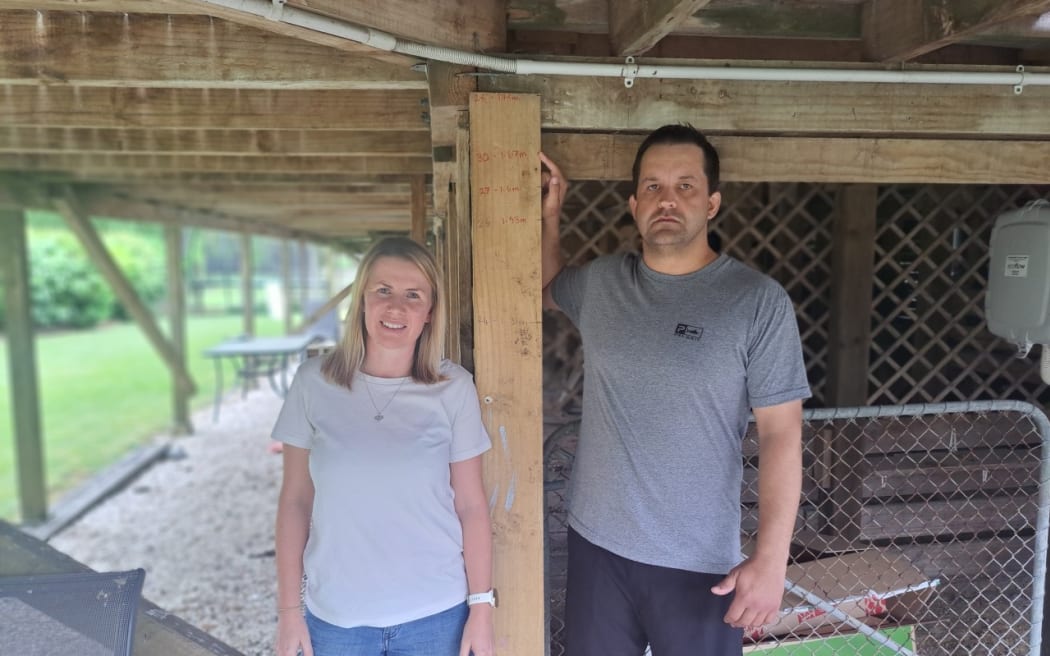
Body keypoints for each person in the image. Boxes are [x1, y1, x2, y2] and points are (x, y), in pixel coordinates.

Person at [539, 124, 811, 656]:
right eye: (653, 186)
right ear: (634, 204)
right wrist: (551, 217)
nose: (667, 200)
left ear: (711, 204)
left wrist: (772, 559)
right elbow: (546, 290)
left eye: (685, 186)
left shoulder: (756, 301)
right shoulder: (602, 283)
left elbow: (781, 433)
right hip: (597, 546)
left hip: (699, 562)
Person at [272, 237, 496, 656]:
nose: (396, 308)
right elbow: (295, 501)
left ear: (430, 312)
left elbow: (471, 505)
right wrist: (288, 612)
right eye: (383, 290)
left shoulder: (454, 388)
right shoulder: (313, 383)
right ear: (361, 300)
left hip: (436, 615)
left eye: (413, 295)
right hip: (337, 618)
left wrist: (481, 607)